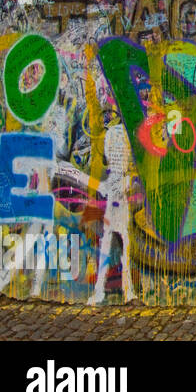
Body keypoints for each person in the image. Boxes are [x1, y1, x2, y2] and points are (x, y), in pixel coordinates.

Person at [88, 124, 137, 305]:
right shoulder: (127, 132)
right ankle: (126, 290)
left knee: (111, 243)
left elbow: (109, 157)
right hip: (120, 189)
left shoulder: (113, 133)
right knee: (123, 243)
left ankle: (106, 290)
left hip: (116, 190)